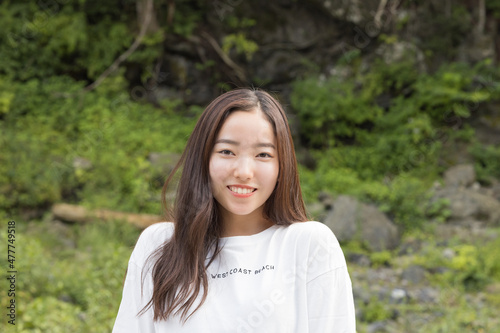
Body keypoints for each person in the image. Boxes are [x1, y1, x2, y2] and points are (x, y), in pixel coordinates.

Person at [112, 88, 356, 332]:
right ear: (203, 159)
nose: (243, 171)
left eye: (263, 154)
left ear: (282, 166)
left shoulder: (308, 245)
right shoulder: (159, 244)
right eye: (227, 151)